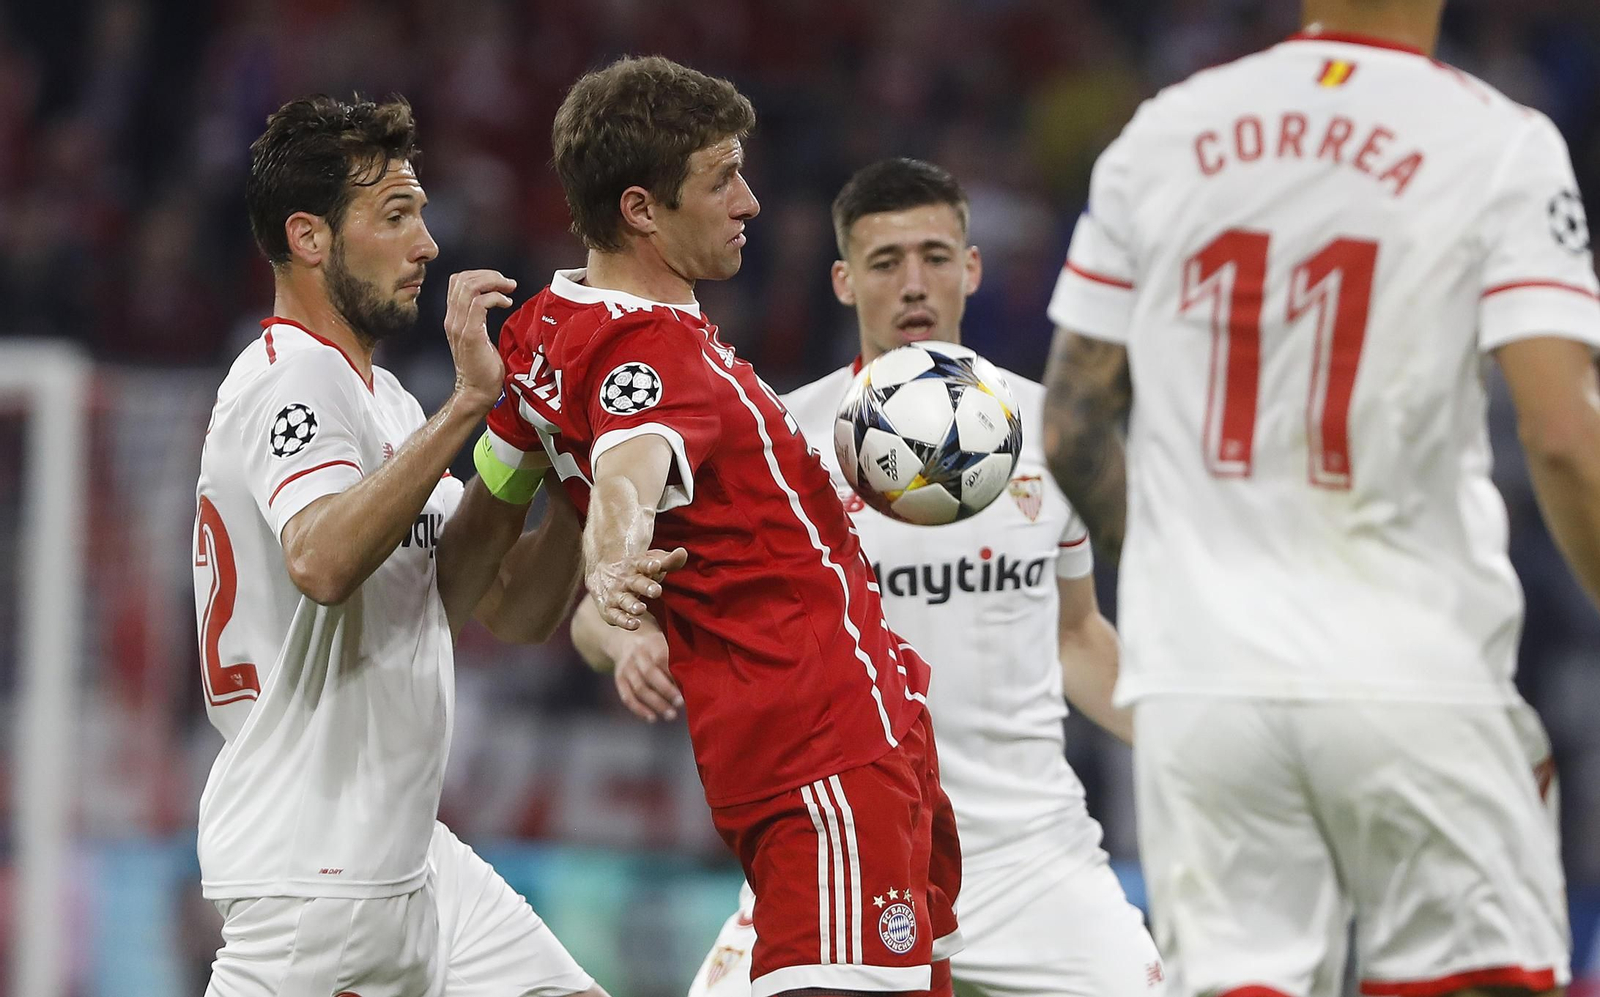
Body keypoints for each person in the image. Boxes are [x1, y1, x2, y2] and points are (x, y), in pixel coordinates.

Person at [1040, 0, 1600, 994]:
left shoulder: (1161, 132)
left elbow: (1074, 426)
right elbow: (1559, 435)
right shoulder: (1498, 141)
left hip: (1204, 686)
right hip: (1409, 670)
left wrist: (1188, 565)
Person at [574, 158, 1167, 995]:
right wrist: (625, 635)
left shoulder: (1050, 432)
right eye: (887, 263)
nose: (914, 284)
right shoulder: (776, 436)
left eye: (935, 256)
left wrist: (1188, 737)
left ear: (972, 269)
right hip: (836, 838)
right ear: (845, 282)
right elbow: (595, 615)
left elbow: (1077, 636)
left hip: (1034, 855)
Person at [484, 58, 961, 997]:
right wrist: (615, 561)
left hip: (827, 747)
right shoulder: (651, 349)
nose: (748, 201)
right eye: (721, 178)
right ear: (641, 210)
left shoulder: (546, 329)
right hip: (826, 754)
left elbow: (523, 582)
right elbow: (630, 467)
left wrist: (611, 611)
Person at [193, 93, 604, 997]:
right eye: (395, 216)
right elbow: (322, 561)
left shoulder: (383, 405)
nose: (427, 243)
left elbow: (503, 605)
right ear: (309, 237)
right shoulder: (290, 378)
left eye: (421, 213)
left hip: (406, 858)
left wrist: (555, 453)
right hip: (317, 877)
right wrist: (468, 405)